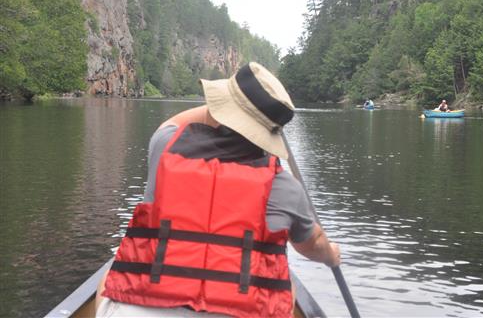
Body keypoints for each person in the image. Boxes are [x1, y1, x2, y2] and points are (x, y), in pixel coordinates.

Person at [96, 62, 341, 318]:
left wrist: (223, 105)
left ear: (218, 109)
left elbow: (171, 124)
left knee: (112, 273)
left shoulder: (165, 147)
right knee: (284, 284)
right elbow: (312, 243)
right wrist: (331, 256)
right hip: (239, 311)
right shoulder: (284, 187)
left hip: (143, 308)